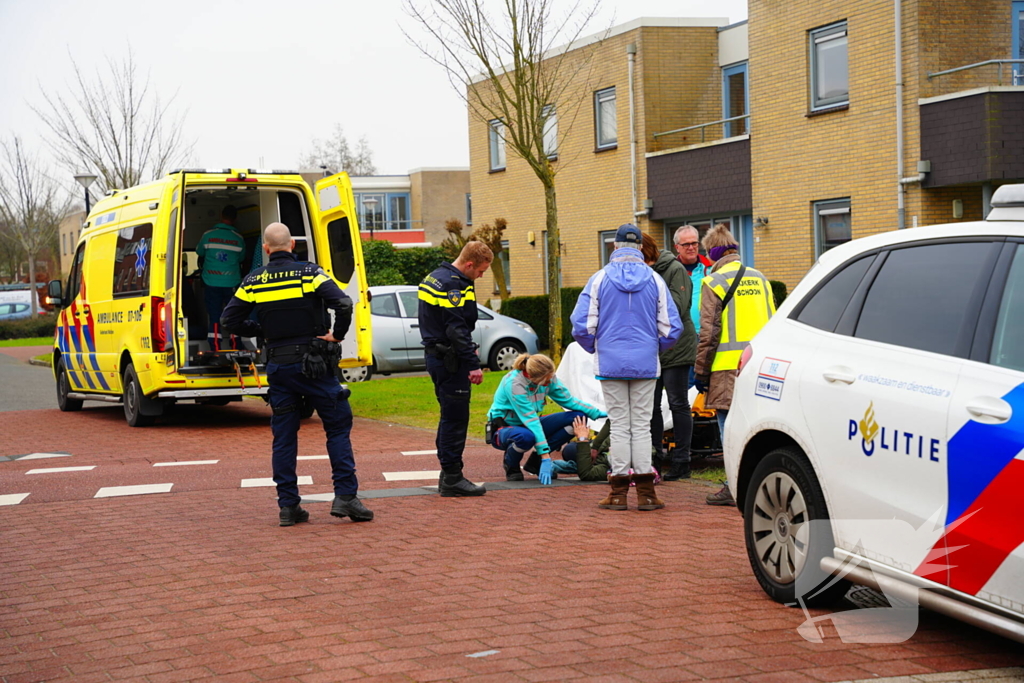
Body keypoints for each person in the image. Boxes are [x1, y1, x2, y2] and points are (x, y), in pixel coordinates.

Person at [220, 222, 373, 527]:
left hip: (279, 365)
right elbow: (343, 303)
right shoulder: (309, 273)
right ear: (292, 245)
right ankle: (345, 497)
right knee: (337, 427)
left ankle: (289, 507)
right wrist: (337, 335)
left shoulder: (254, 280)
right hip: (314, 364)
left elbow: (228, 320)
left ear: (266, 249)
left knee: (284, 437)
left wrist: (261, 330)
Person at [570, 224, 682, 511]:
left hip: (610, 363)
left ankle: (618, 493)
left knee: (619, 426)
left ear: (615, 246)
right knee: (642, 427)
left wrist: (598, 347)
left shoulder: (598, 279)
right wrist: (654, 348)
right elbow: (672, 328)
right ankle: (646, 494)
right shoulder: (655, 280)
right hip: (645, 364)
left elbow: (582, 325)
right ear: (640, 249)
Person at [694, 224, 775, 506]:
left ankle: (733, 487)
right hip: (760, 366)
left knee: (728, 430)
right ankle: (757, 484)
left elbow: (709, 333)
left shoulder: (714, 282)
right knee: (757, 427)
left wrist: (700, 372)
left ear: (713, 253)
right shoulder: (761, 279)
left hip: (727, 368)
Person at [418, 241, 493, 497]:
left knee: (448, 415)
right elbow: (456, 327)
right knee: (455, 419)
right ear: (469, 264)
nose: (481, 276)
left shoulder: (435, 277)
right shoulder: (452, 285)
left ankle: (447, 474)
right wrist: (473, 365)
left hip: (436, 356)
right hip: (450, 360)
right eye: (481, 271)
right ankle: (452, 477)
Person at [487, 353, 606, 483]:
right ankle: (511, 465)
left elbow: (568, 400)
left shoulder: (548, 376)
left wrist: (596, 413)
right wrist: (546, 456)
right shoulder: (514, 384)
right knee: (525, 437)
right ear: (532, 377)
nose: (550, 382)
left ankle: (535, 462)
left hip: (529, 423)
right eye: (547, 381)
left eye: (551, 378)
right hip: (505, 427)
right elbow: (531, 420)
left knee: (578, 418)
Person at [640, 233, 697, 481]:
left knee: (677, 403)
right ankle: (655, 459)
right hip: (653, 349)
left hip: (676, 346)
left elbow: (678, 306)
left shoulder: (675, 269)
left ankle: (682, 460)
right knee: (651, 407)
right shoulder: (642, 272)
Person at [196, 205, 246, 349]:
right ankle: (235, 343)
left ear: (221, 216)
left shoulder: (208, 235)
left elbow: (200, 252)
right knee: (234, 314)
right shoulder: (239, 238)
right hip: (232, 282)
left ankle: (215, 345)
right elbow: (241, 258)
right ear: (235, 219)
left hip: (211, 282)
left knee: (214, 314)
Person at [673, 225, 713, 390]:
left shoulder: (710, 268)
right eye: (686, 244)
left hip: (707, 337)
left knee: (707, 388)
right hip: (681, 340)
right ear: (677, 247)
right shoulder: (669, 270)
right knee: (684, 389)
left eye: (694, 243)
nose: (691, 247)